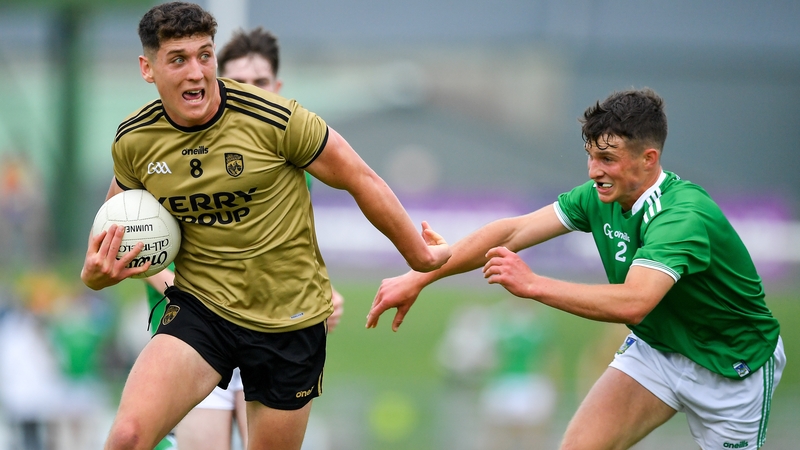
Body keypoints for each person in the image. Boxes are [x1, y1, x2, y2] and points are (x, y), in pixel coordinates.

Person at [80, 3, 451, 450]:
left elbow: (361, 178)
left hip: (287, 320)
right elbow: (112, 231)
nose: (196, 72)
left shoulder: (275, 119)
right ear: (148, 68)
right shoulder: (135, 140)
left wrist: (419, 256)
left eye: (204, 55)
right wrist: (96, 275)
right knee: (127, 437)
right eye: (178, 59)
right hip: (203, 310)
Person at [367, 88, 785, 449]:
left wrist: (533, 285)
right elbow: (513, 231)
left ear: (648, 159)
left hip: (731, 365)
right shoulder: (598, 196)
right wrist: (421, 275)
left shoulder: (682, 216)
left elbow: (634, 302)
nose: (594, 171)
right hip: (657, 349)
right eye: (591, 156)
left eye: (607, 158)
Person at [143, 26, 345, 450]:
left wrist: (322, 294)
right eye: (238, 81)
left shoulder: (292, 156)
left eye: (261, 82)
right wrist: (186, 293)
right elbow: (139, 237)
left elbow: (292, 248)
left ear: (278, 88)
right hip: (200, 331)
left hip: (269, 330)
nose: (250, 91)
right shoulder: (169, 147)